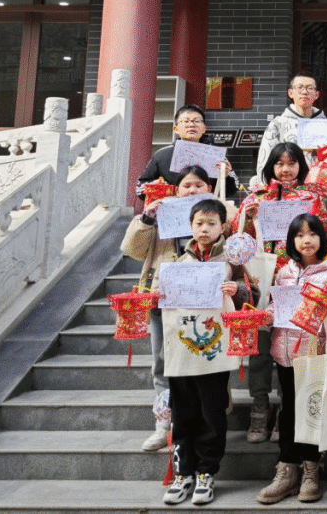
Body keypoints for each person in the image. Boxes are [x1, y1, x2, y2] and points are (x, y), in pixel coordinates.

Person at [162, 198, 253, 507]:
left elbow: (251, 292)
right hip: (181, 350)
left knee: (212, 413)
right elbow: (159, 298)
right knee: (182, 412)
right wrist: (157, 295)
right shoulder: (176, 261)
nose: (204, 229)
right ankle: (182, 473)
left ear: (223, 227)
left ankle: (206, 472)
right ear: (190, 226)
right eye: (199, 223)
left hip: (214, 350)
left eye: (211, 223)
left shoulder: (232, 260)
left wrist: (237, 290)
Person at [120, 166, 216, 452]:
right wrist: (146, 219)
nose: (192, 190)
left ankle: (204, 421)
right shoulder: (160, 214)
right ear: (176, 190)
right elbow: (132, 250)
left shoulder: (219, 215)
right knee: (161, 361)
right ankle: (163, 422)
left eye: (199, 185)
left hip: (203, 298)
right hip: (162, 296)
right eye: (186, 185)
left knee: (204, 358)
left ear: (209, 189)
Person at [256, 213, 327, 505]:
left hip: (313, 350)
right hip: (284, 350)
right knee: (288, 411)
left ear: (322, 238)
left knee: (310, 411)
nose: (306, 240)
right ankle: (287, 469)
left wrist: (326, 302)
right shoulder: (284, 272)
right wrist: (267, 316)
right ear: (291, 241)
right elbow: (276, 304)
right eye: (299, 235)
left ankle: (311, 469)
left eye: (312, 234)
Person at [232, 142, 316, 444]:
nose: (286, 169)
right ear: (270, 166)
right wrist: (247, 218)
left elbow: (321, 237)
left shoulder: (310, 198)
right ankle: (260, 406)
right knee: (260, 347)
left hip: (295, 283)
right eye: (280, 163)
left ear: (301, 166)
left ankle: (285, 409)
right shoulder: (256, 197)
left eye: (292, 163)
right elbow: (236, 241)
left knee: (290, 347)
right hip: (260, 283)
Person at [136, 104, 237, 199]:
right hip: (172, 207)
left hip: (205, 208)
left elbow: (233, 189)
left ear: (204, 128)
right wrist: (154, 186)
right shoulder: (162, 155)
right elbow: (139, 189)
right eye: (186, 121)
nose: (191, 125)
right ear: (175, 129)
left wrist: (226, 177)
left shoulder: (217, 156)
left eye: (197, 121)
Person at [254, 72, 326, 179]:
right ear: (290, 93)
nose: (304, 92)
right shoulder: (277, 125)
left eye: (310, 88)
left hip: (320, 184)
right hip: (288, 186)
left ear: (316, 95)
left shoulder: (326, 126)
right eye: (300, 87)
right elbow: (265, 163)